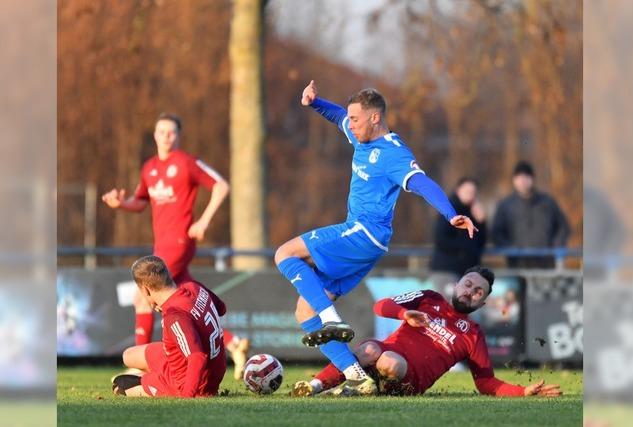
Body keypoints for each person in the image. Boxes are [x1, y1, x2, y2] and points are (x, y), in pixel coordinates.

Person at [274, 80, 477, 395]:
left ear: (375, 118)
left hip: (365, 232)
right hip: (365, 240)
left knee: (284, 254)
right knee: (304, 310)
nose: (350, 125)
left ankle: (332, 320)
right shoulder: (360, 137)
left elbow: (421, 182)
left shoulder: (393, 153)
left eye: (356, 119)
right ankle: (356, 375)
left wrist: (451, 213)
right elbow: (338, 115)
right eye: (351, 120)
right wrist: (315, 102)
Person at [101, 113, 249, 379]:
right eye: (161, 132)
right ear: (155, 135)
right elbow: (139, 201)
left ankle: (137, 364)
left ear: (178, 136)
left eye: (171, 132)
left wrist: (203, 221)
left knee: (143, 296)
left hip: (179, 242)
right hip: (162, 245)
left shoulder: (186, 163)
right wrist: (120, 204)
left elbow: (222, 186)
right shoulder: (149, 168)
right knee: (183, 300)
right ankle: (233, 342)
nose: (166, 136)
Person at [293, 266, 562, 398]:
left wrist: (521, 391)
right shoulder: (428, 298)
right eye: (468, 284)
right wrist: (402, 314)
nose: (469, 292)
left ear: (481, 303)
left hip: (408, 380)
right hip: (384, 354)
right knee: (370, 349)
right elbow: (381, 305)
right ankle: (315, 386)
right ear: (457, 285)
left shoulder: (473, 335)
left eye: (477, 292)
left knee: (388, 361)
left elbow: (485, 383)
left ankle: (360, 389)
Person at [111, 255, 227, 398]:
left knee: (119, 385)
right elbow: (221, 308)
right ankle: (154, 373)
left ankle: (154, 380)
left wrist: (187, 397)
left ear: (146, 290)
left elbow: (197, 357)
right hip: (209, 370)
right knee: (128, 356)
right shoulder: (193, 287)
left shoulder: (174, 316)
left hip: (190, 383)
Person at [492, 161, 570, 268]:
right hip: (517, 265)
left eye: (526, 177)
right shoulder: (506, 205)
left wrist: (556, 246)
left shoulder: (547, 202)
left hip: (546, 263)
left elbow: (563, 227)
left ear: (532, 179)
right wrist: (509, 248)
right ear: (514, 180)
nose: (523, 181)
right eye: (519, 178)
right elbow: (496, 232)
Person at [430, 177, 487, 278]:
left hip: (467, 270)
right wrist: (465, 247)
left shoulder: (474, 211)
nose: (470, 195)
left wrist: (481, 223)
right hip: (447, 269)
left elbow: (481, 241)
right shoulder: (449, 209)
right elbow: (441, 238)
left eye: (473, 192)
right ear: (458, 190)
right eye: (467, 191)